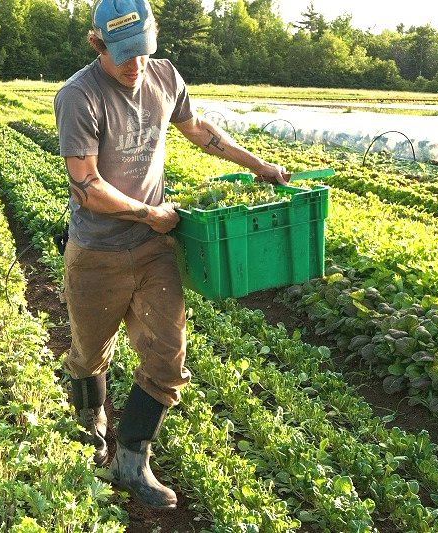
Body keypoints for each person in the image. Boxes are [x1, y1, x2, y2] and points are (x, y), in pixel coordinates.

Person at [54, 0, 288, 509]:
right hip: (96, 249)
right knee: (88, 356)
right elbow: (87, 186)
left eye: (142, 52)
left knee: (168, 357)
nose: (135, 65)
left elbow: (200, 130)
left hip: (154, 247)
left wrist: (258, 164)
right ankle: (93, 429)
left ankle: (132, 461)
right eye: (123, 56)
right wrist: (146, 212)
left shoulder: (165, 77)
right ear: (99, 45)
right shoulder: (79, 96)